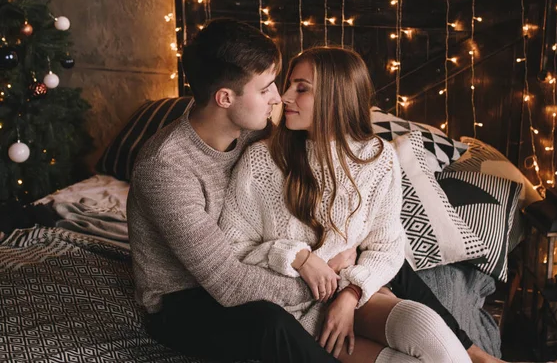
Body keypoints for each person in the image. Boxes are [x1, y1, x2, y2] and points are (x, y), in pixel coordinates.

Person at [219, 46, 473, 362]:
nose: (284, 97)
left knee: (429, 330)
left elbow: (387, 246)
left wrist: (350, 295)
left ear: (335, 97)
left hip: (355, 295)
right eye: (289, 85)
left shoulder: (377, 157)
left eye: (301, 88)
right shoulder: (262, 160)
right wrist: (298, 257)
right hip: (294, 308)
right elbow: (231, 250)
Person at [127, 18, 339, 363]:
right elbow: (230, 285)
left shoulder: (253, 135)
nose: (278, 98)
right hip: (184, 301)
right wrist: (325, 284)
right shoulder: (164, 167)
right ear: (225, 97)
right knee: (271, 324)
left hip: (252, 258)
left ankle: (462, 348)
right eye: (266, 88)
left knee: (377, 247)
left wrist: (346, 261)